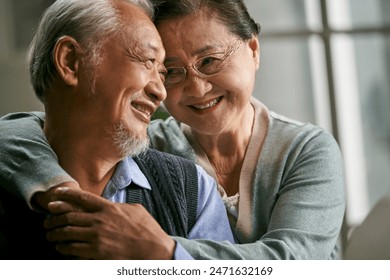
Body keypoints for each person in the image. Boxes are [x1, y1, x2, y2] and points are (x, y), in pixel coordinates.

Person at [0, 0, 346, 259]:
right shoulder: (149, 145)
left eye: (209, 61)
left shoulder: (306, 149)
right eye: (170, 70)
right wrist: (57, 190)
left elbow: (294, 262)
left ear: (253, 49)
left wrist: (164, 250)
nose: (194, 89)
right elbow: (19, 131)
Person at [0, 0, 235, 260]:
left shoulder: (193, 190)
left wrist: (163, 259)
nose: (160, 91)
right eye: (147, 61)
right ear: (70, 61)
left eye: (163, 72)